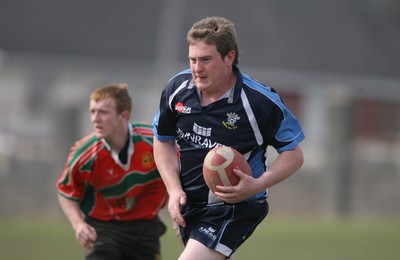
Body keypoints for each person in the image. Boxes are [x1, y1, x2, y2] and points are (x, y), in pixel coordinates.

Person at [152, 16, 305, 260]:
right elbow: (162, 139)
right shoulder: (177, 89)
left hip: (235, 209)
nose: (197, 68)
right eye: (192, 60)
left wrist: (257, 184)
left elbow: (294, 154)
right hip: (190, 208)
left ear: (229, 58)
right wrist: (173, 190)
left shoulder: (258, 102)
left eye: (205, 60)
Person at [56, 83, 168, 260]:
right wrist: (78, 225)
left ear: (123, 116)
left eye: (103, 112)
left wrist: (182, 213)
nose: (95, 119)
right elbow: (66, 191)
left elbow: (180, 174)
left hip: (145, 230)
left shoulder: (155, 143)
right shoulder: (84, 154)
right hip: (104, 229)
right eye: (92, 112)